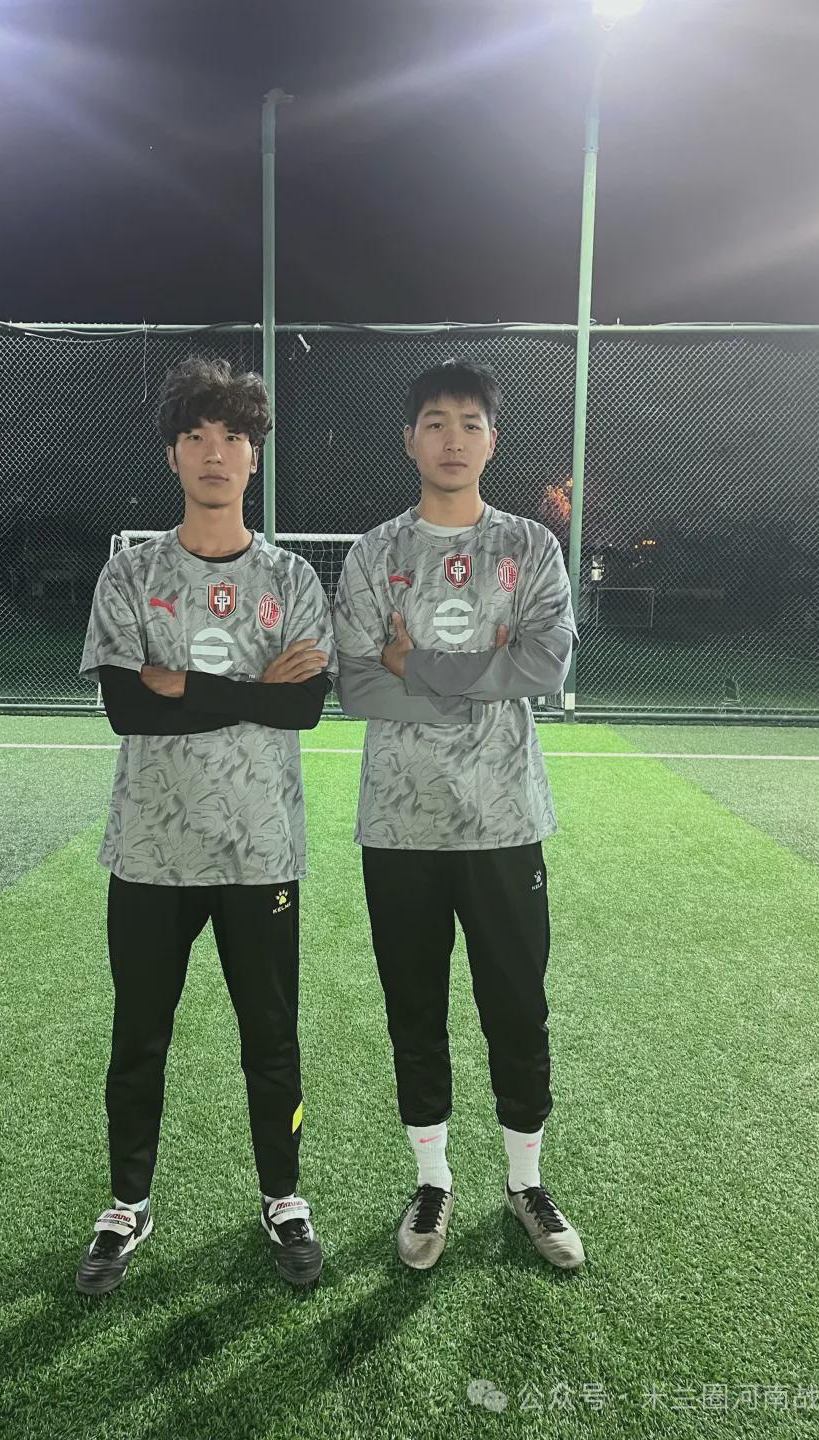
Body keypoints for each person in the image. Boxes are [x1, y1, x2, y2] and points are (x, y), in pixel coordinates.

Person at [76, 356, 336, 1295]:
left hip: (260, 849)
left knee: (271, 1036)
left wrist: (184, 683)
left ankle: (284, 1198)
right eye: (196, 435)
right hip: (150, 851)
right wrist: (249, 689)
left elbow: (304, 709)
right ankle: (127, 1205)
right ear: (173, 455)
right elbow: (126, 709)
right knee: (139, 1035)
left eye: (233, 436)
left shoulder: (292, 578)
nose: (215, 452)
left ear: (255, 456)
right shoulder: (132, 573)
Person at [332, 358, 584, 1272]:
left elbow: (545, 666)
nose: (452, 439)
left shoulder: (530, 545)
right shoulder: (375, 554)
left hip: (505, 819)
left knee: (517, 1005)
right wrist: (479, 676)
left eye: (470, 423)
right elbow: (356, 684)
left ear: (491, 440)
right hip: (399, 825)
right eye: (435, 422)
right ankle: (432, 1180)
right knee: (416, 1009)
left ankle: (526, 1182)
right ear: (410, 439)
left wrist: (416, 666)